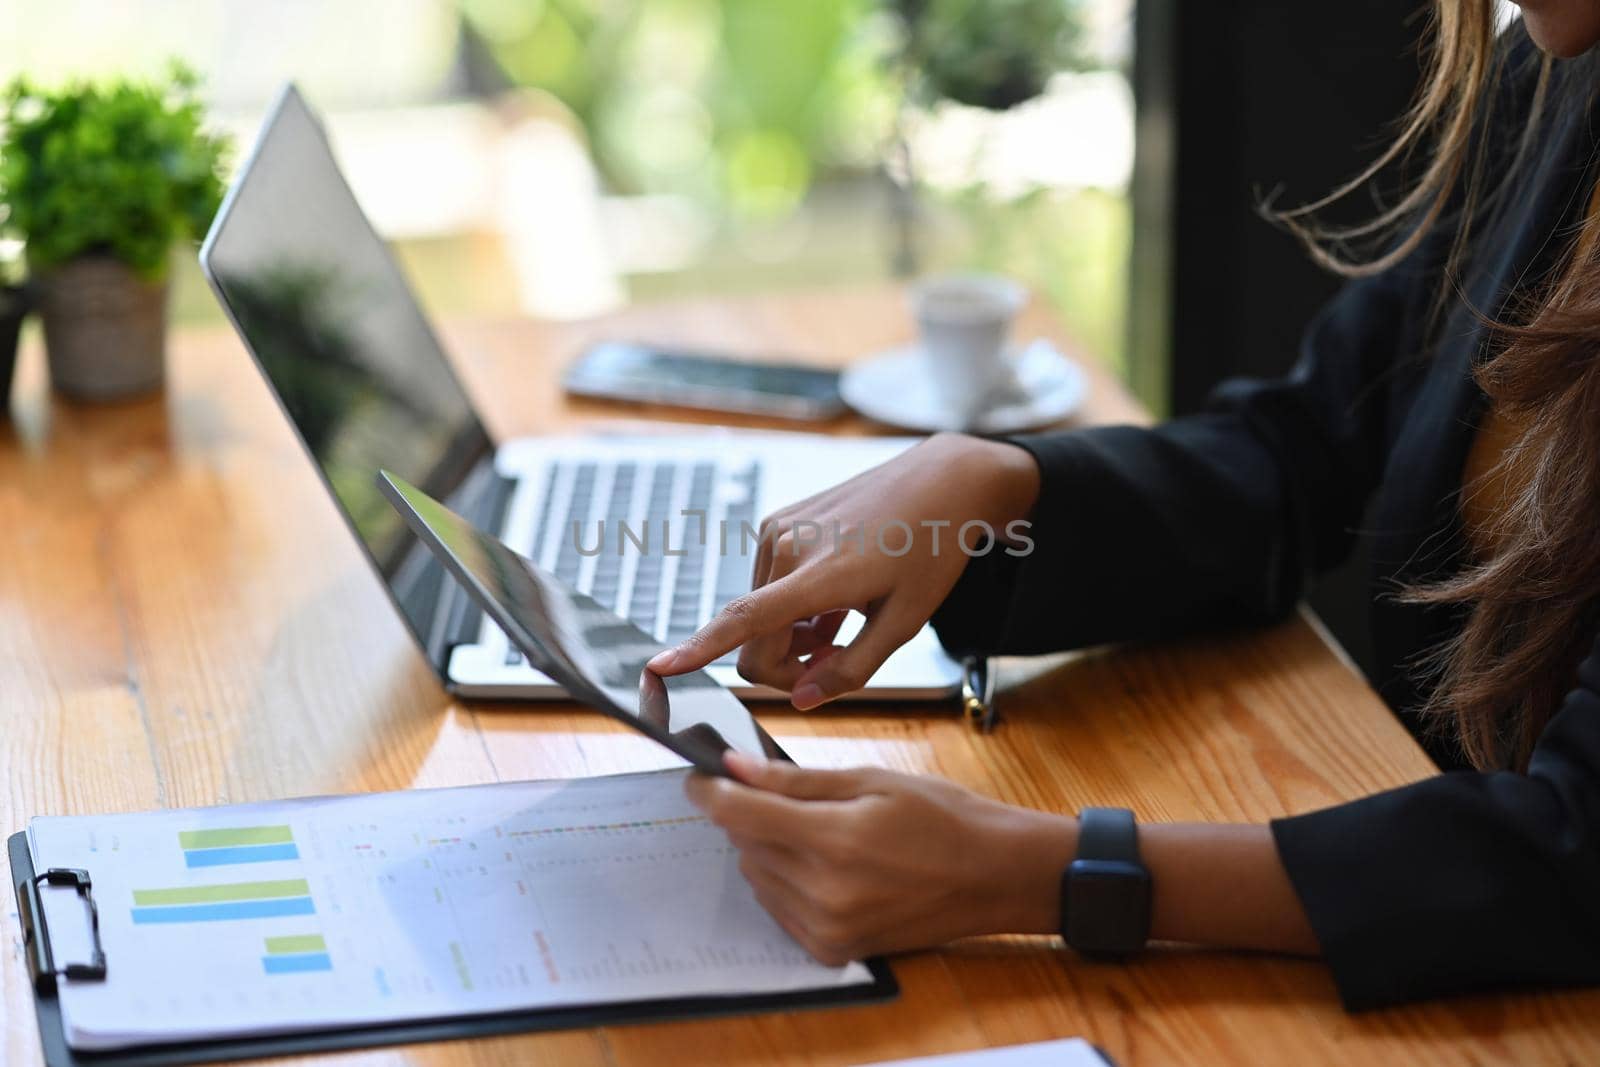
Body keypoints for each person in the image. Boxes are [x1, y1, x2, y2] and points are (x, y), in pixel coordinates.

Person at [644, 1, 1600, 1011]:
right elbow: (1305, 450)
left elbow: (1573, 854)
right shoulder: (1549, 76)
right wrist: (993, 485)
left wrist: (1048, 870)